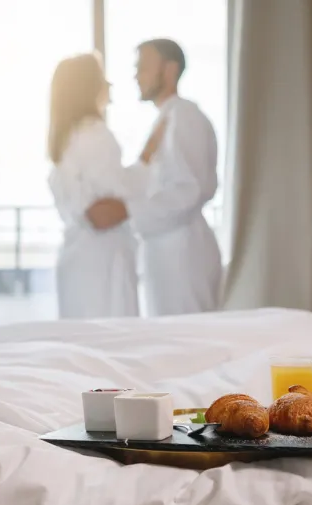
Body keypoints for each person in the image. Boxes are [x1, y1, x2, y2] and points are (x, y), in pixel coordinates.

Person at [86, 38, 222, 316]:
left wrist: (126, 210)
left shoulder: (185, 117)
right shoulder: (164, 119)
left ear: (170, 70)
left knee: (187, 342)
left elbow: (190, 190)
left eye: (144, 66)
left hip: (183, 257)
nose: (136, 75)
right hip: (166, 254)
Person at [47, 53, 164, 319]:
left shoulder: (67, 139)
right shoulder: (95, 135)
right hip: (101, 262)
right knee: (112, 344)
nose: (109, 84)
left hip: (79, 261)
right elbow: (110, 204)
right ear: (88, 88)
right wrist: (146, 159)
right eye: (102, 78)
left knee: (84, 344)